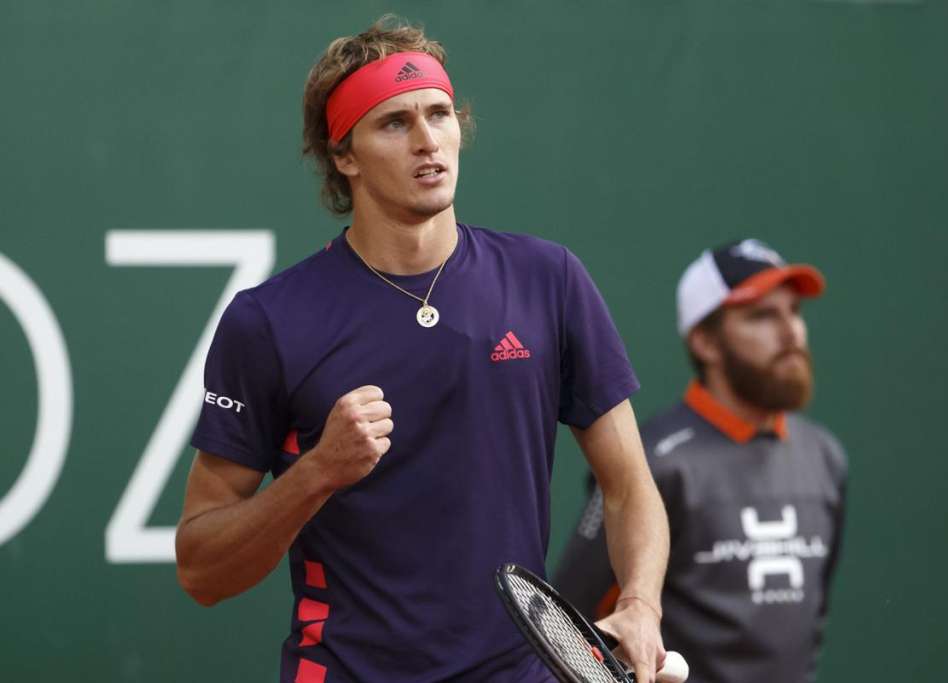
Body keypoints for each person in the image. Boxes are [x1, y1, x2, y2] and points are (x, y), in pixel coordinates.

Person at [173, 17, 669, 683]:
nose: (428, 140)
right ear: (343, 154)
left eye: (440, 114)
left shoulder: (548, 280)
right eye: (394, 123)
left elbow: (629, 485)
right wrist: (317, 471)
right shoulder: (268, 321)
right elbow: (201, 568)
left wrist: (639, 603)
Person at [554, 239, 848, 683]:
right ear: (706, 342)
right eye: (763, 316)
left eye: (794, 312)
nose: (791, 333)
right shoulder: (653, 463)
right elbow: (567, 624)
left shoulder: (824, 456)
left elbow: (809, 626)